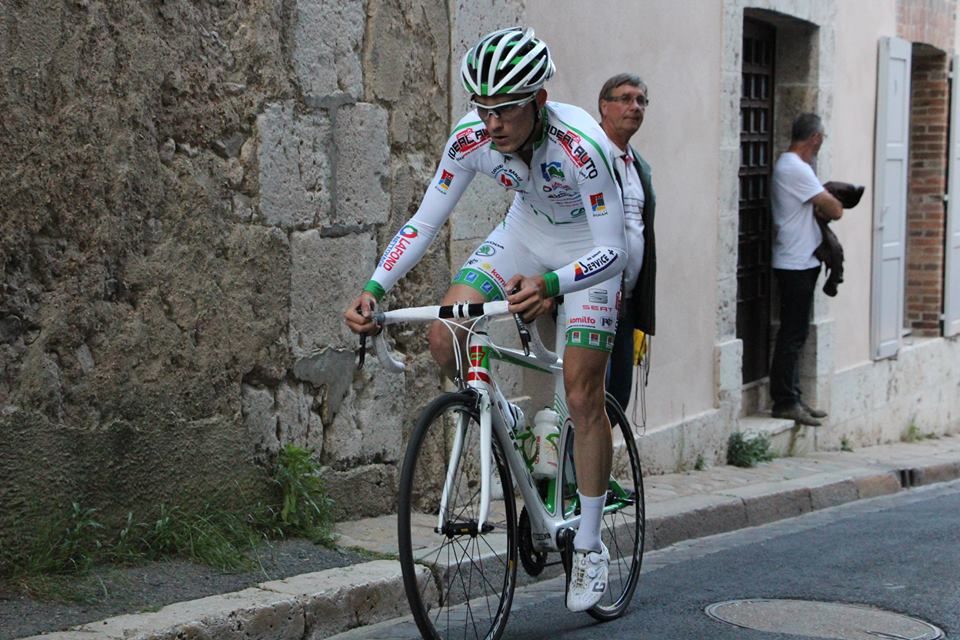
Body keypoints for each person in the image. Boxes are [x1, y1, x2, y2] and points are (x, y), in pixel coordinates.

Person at [343, 27, 626, 612]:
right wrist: (374, 286)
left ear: (539, 102)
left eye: (505, 110)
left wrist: (552, 285)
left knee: (581, 391)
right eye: (482, 108)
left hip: (586, 254)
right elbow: (424, 222)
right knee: (445, 334)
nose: (491, 123)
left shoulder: (583, 146)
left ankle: (591, 544)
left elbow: (615, 251)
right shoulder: (470, 139)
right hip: (523, 235)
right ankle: (514, 431)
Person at [769, 113, 842, 426]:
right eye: (821, 138)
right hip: (795, 262)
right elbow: (835, 209)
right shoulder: (795, 168)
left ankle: (794, 395)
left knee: (796, 332)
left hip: (800, 260)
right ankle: (785, 400)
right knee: (792, 334)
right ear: (815, 138)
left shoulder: (793, 168)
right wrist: (826, 199)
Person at [597, 74, 657, 411]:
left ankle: (594, 465)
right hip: (594, 299)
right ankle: (574, 464)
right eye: (625, 98)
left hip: (628, 303)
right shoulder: (594, 157)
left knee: (617, 397)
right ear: (604, 105)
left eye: (641, 100)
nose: (634, 107)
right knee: (591, 398)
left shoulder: (639, 167)